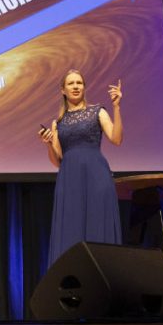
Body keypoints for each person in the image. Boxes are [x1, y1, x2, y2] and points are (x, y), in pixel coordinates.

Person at [39, 69, 123, 265]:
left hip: (97, 176)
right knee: (71, 230)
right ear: (63, 90)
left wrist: (116, 107)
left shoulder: (98, 111)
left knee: (98, 225)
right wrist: (48, 144)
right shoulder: (58, 122)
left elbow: (116, 139)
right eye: (71, 83)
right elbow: (57, 160)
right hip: (69, 180)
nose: (76, 86)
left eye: (79, 83)